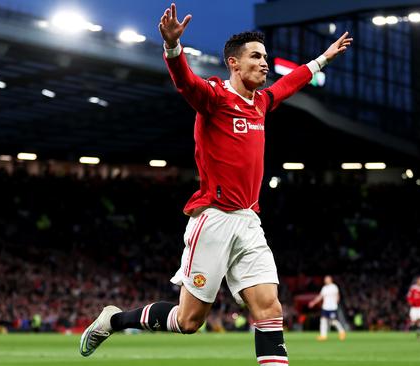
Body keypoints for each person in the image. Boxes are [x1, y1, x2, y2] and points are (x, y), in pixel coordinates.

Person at [79, 3, 352, 364]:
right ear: (234, 64)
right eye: (257, 56)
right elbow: (184, 82)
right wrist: (172, 48)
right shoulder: (214, 98)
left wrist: (322, 60)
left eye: (266, 56)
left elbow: (289, 83)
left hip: (249, 220)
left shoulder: (261, 103)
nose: (265, 63)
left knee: (269, 307)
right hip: (214, 219)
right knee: (189, 320)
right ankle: (113, 320)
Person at [308, 275, 346, 341]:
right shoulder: (324, 288)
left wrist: (336, 303)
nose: (325, 280)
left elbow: (338, 296)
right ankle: (323, 336)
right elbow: (320, 296)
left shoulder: (334, 287)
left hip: (332, 308)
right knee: (323, 321)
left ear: (330, 279)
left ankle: (342, 332)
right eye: (325, 279)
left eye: (327, 279)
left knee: (333, 322)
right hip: (325, 307)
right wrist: (313, 302)